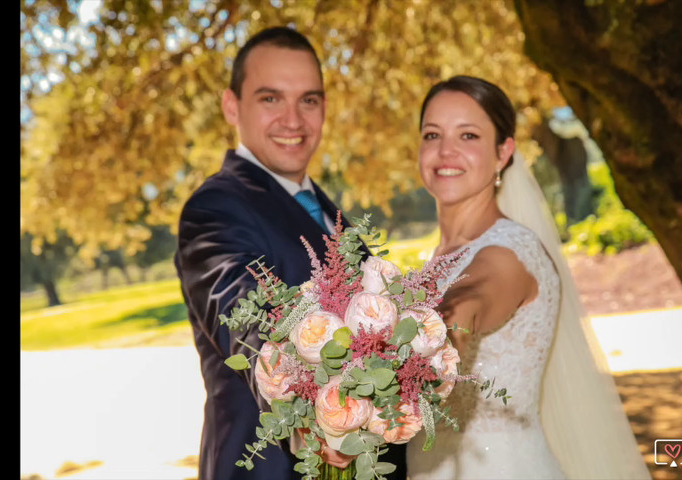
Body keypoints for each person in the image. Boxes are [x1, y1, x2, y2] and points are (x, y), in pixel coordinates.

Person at [174, 27, 407, 480]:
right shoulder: (215, 208)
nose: (293, 120)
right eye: (270, 99)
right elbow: (242, 316)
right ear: (231, 106)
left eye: (309, 100)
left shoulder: (331, 214)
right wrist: (309, 415)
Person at [405, 76, 651, 479]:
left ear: (503, 153)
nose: (445, 151)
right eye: (432, 134)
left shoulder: (509, 254)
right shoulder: (433, 260)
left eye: (468, 135)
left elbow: (465, 306)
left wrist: (416, 343)